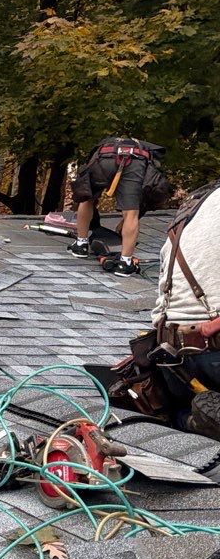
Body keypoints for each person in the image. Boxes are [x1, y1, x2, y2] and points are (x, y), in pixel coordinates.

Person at [151, 182, 220, 438]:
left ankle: (188, 419)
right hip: (213, 353)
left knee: (186, 410)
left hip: (172, 361)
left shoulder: (201, 199)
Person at [68, 137, 168, 277]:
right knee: (131, 213)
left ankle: (81, 245)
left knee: (87, 198)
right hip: (135, 162)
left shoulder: (105, 143)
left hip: (105, 158)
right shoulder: (147, 153)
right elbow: (148, 195)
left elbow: (83, 191)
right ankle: (125, 263)